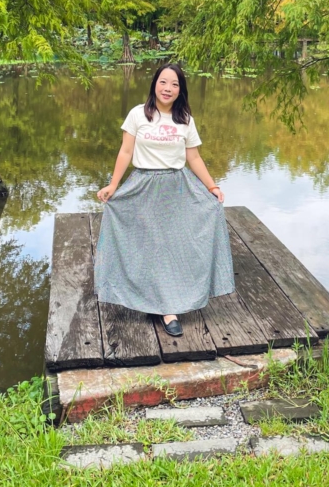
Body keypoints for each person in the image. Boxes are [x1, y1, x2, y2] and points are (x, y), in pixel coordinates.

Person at [94, 63, 235, 337]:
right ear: (154, 84)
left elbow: (193, 157)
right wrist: (113, 184)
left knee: (172, 244)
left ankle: (168, 305)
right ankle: (151, 297)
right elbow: (125, 152)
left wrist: (212, 186)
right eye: (163, 82)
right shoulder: (138, 114)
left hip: (177, 188)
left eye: (174, 84)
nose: (167, 88)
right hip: (143, 185)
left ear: (180, 90)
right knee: (149, 243)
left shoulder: (185, 120)